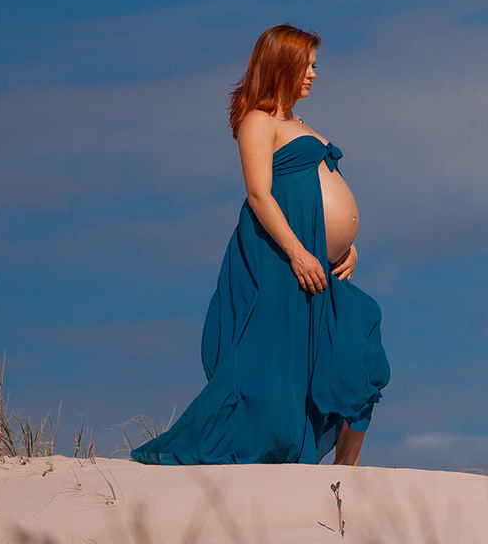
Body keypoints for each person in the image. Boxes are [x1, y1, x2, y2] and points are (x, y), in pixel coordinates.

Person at [131, 24, 390, 466]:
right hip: (283, 261)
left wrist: (346, 248)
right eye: (305, 65)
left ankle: (347, 478)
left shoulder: (299, 123)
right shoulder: (258, 121)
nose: (312, 74)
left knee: (361, 353)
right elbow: (259, 194)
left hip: (321, 264)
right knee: (272, 384)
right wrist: (298, 252)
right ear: (281, 66)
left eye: (314, 65)